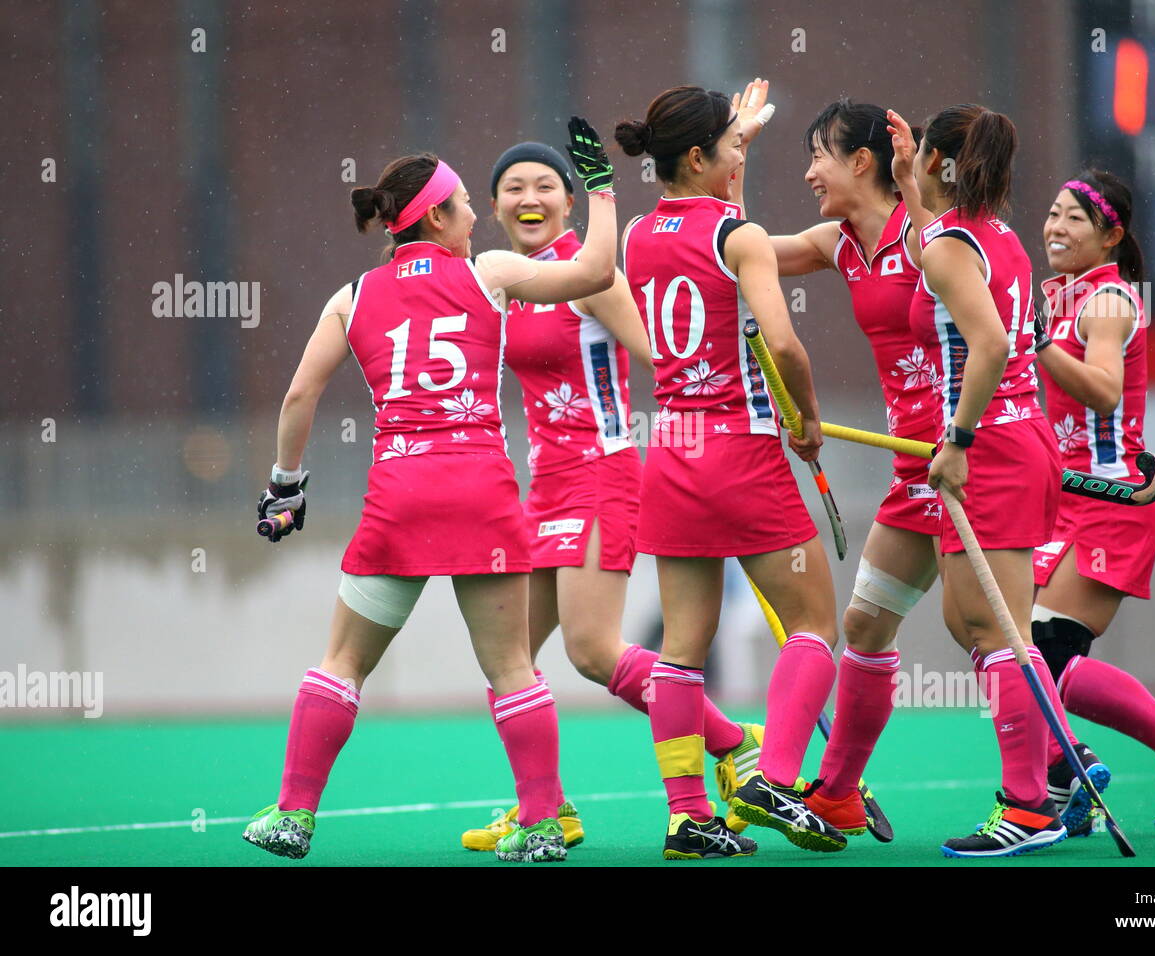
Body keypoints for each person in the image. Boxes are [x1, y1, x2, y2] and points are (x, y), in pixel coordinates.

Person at [241, 118, 618, 864]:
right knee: (511, 667)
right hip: (481, 489)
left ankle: (294, 815)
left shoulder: (351, 296)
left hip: (399, 492)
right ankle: (543, 824)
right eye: (465, 204)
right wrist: (600, 189)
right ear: (438, 217)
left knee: (342, 663)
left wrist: (285, 487)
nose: (481, 214)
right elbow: (597, 273)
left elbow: (297, 397)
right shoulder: (494, 274)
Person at [457, 139, 764, 853]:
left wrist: (734, 400)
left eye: (543, 186)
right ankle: (547, 810)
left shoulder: (590, 274)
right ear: (496, 204)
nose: (527, 198)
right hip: (544, 485)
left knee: (594, 652)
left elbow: (669, 358)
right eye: (511, 188)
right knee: (510, 659)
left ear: (569, 199)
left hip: (602, 473)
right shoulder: (512, 277)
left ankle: (731, 740)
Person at [616, 84, 845, 860]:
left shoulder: (639, 236)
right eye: (732, 146)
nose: (740, 154)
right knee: (815, 625)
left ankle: (687, 818)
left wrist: (737, 135)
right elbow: (781, 345)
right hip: (740, 453)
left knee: (681, 649)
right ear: (696, 156)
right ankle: (773, 776)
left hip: (671, 453)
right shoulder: (741, 236)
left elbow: (708, 229)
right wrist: (806, 422)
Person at [901, 103, 1096, 858]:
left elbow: (986, 346)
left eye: (920, 151)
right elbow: (947, 255)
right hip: (1024, 440)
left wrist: (956, 439)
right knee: (974, 623)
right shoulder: (998, 237)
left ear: (941, 163)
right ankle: (1051, 768)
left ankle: (1028, 804)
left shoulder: (953, 247)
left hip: (992, 450)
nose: (913, 161)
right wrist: (908, 187)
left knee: (999, 631)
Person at [743, 97, 939, 841]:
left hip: (967, 457)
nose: (810, 172)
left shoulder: (926, 237)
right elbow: (740, 250)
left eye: (820, 155)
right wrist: (734, 161)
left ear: (864, 162)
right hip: (913, 470)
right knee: (862, 625)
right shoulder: (840, 243)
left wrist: (915, 185)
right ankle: (837, 793)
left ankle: (1047, 781)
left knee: (991, 632)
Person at [1032, 169, 1155, 834]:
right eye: (1054, 214)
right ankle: (1068, 778)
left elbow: (1104, 391)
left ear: (1110, 234)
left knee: (1049, 649)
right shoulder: (1065, 296)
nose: (1055, 228)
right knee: (1024, 648)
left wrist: (1033, 343)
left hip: (1111, 502)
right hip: (1065, 499)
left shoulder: (1109, 301)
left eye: (1074, 219)